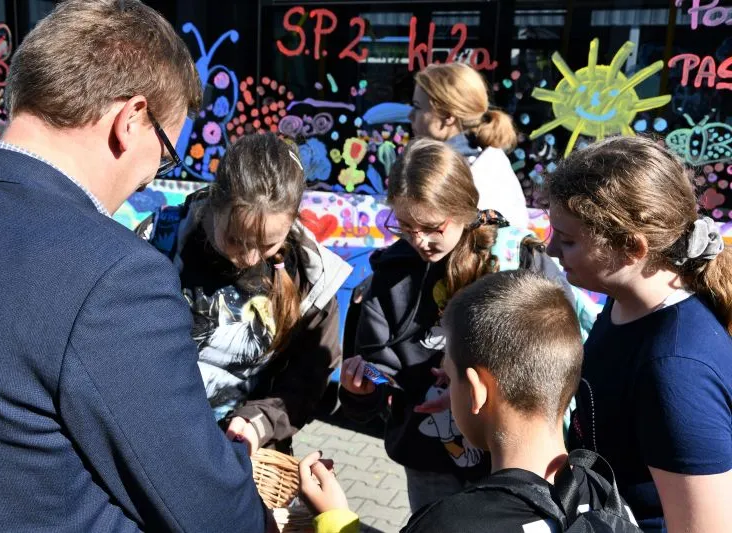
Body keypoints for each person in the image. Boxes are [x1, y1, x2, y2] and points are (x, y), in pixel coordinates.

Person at [0, 1, 269, 531]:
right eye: (166, 153)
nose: (151, 178)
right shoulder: (115, 276)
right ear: (130, 120)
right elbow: (212, 513)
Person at [338, 138, 596, 513]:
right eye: (405, 226)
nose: (420, 241)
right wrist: (363, 390)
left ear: (463, 208)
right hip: (429, 457)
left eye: (432, 227)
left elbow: (557, 355)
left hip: (514, 455)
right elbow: (379, 366)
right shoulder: (391, 274)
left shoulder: (516, 259)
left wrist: (478, 389)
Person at [305, 271, 636, 533]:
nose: (448, 391)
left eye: (450, 379)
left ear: (477, 392)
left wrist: (336, 521)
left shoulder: (448, 524)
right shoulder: (605, 492)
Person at [546, 136, 732, 532]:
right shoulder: (625, 301)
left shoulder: (675, 371)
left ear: (632, 248)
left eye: (567, 240)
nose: (550, 250)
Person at [136, 132, 351, 455]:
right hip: (149, 437)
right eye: (235, 239)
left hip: (238, 449)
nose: (249, 258)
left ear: (292, 221)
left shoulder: (311, 276)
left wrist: (259, 422)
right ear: (215, 204)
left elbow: (307, 377)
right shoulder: (159, 241)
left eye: (267, 244)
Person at [409, 62, 529, 229]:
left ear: (448, 116)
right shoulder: (486, 159)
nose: (410, 115)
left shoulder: (458, 171)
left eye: (417, 107)